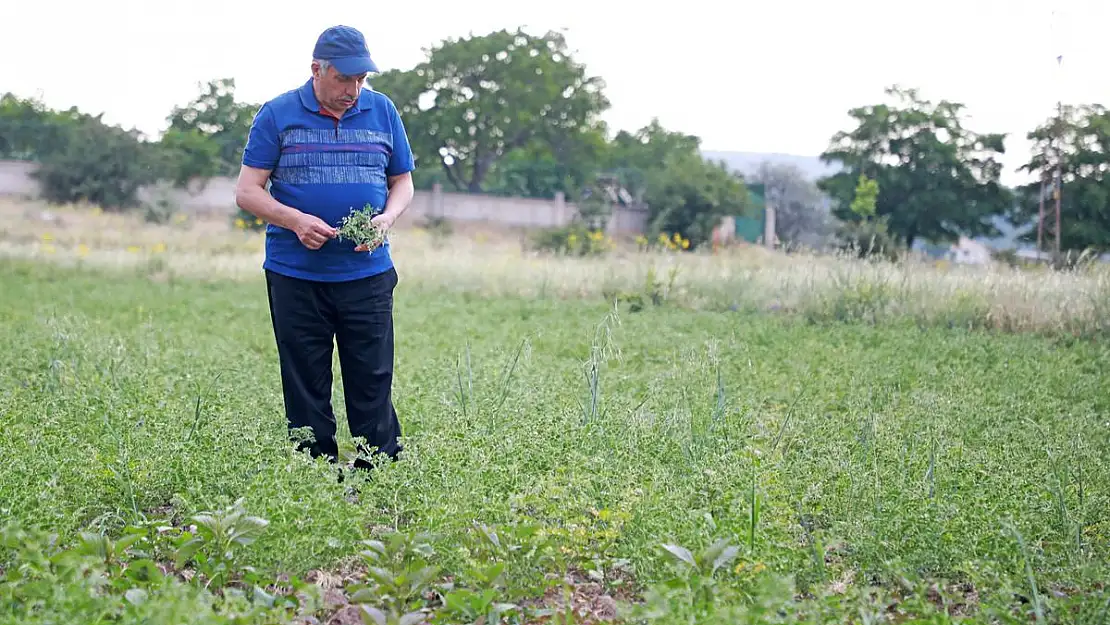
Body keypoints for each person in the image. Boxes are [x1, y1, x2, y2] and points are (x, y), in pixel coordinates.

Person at [234, 25, 416, 478]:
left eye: (361, 80)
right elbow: (248, 192)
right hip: (295, 275)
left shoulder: (383, 111)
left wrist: (388, 217)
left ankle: (377, 474)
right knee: (305, 380)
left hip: (368, 272)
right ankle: (315, 477)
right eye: (343, 80)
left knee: (372, 377)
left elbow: (403, 183)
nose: (353, 90)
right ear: (317, 70)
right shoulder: (277, 114)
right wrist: (294, 220)